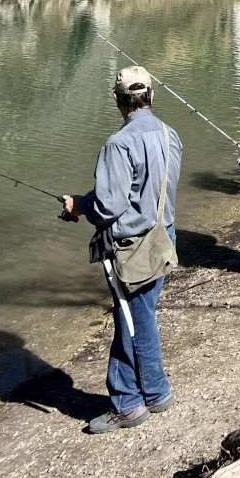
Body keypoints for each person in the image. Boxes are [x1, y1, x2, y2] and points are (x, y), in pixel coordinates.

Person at [60, 66, 181, 435]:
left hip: (132, 246)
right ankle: (157, 393)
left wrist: (79, 205)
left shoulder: (119, 143)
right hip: (164, 235)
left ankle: (128, 404)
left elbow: (108, 206)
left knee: (131, 319)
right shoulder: (169, 133)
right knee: (142, 315)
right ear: (151, 97)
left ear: (117, 100)